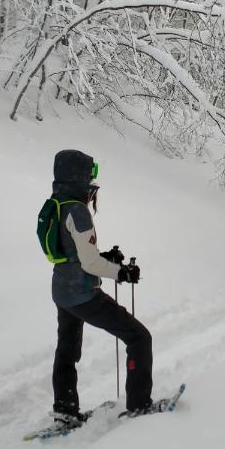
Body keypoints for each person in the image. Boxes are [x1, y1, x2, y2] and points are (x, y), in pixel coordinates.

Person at [49, 149, 153, 425]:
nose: (92, 182)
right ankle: (140, 405)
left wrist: (104, 258)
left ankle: (65, 410)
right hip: (82, 294)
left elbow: (75, 253)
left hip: (61, 291)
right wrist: (122, 272)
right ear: (80, 176)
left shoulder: (57, 203)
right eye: (90, 174)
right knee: (139, 338)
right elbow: (90, 264)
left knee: (67, 349)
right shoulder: (78, 211)